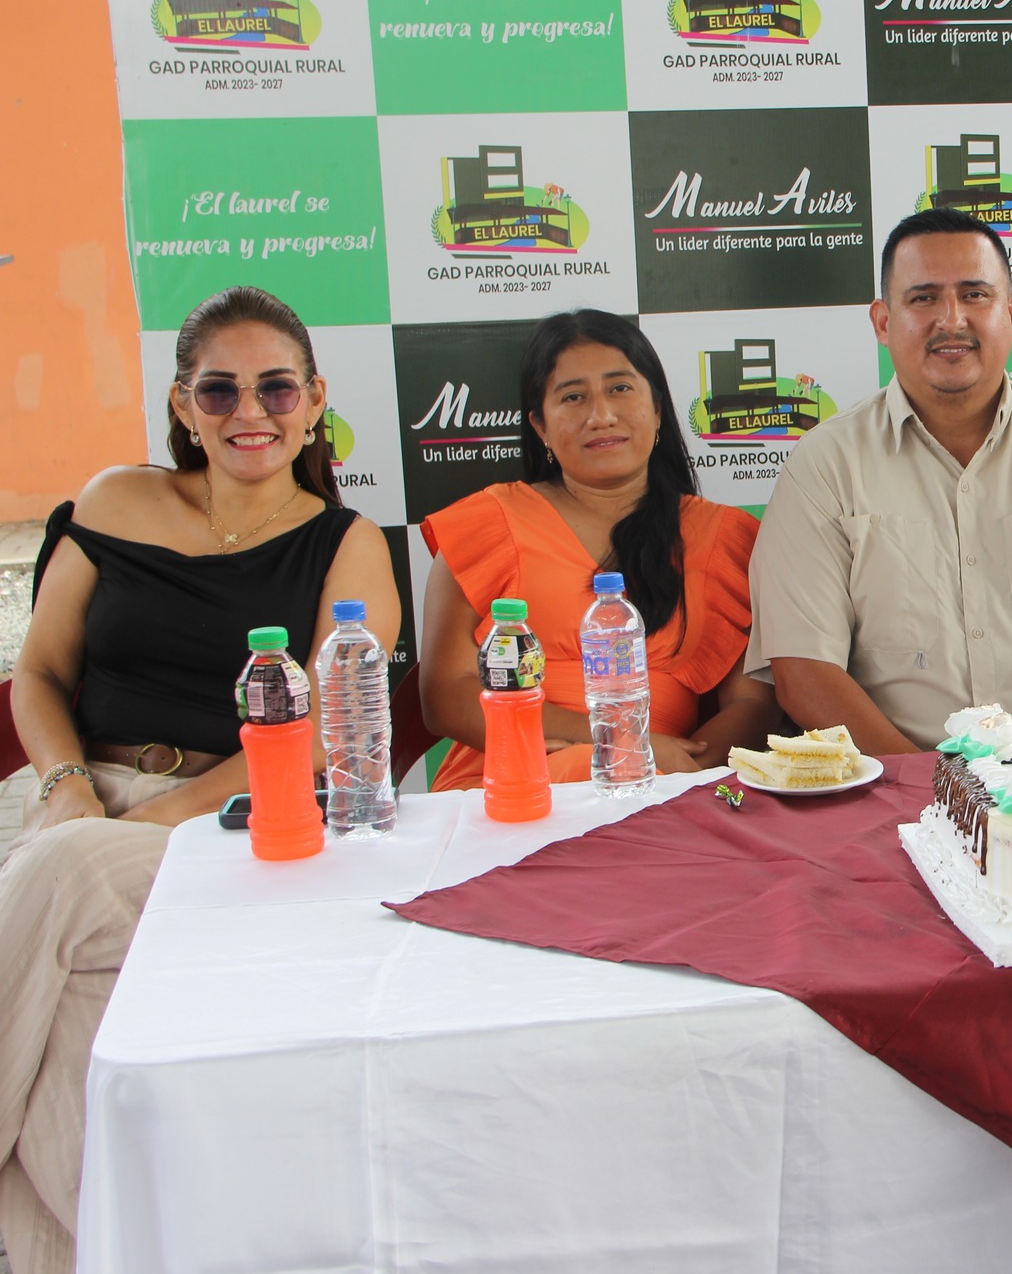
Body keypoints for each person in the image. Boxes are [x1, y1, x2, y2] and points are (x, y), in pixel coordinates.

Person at [1, 286, 399, 1274]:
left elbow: (320, 735)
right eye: (219, 391)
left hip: (230, 821)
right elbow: (38, 672)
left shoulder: (346, 543)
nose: (248, 412)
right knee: (72, 1045)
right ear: (183, 404)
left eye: (276, 388)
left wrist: (155, 819)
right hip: (71, 795)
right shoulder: (113, 501)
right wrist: (66, 784)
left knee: (63, 874)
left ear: (314, 401)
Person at [747, 208, 1012, 753]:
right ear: (883, 322)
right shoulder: (826, 465)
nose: (951, 319)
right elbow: (805, 672)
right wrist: (931, 785)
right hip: (901, 784)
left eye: (974, 295)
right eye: (923, 298)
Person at [418, 310, 775, 788]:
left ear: (658, 409)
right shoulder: (487, 523)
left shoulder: (724, 536)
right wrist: (620, 743)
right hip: (508, 784)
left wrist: (676, 777)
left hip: (659, 792)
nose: (601, 415)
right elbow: (444, 696)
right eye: (573, 397)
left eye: (620, 388)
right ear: (540, 426)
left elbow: (754, 703)